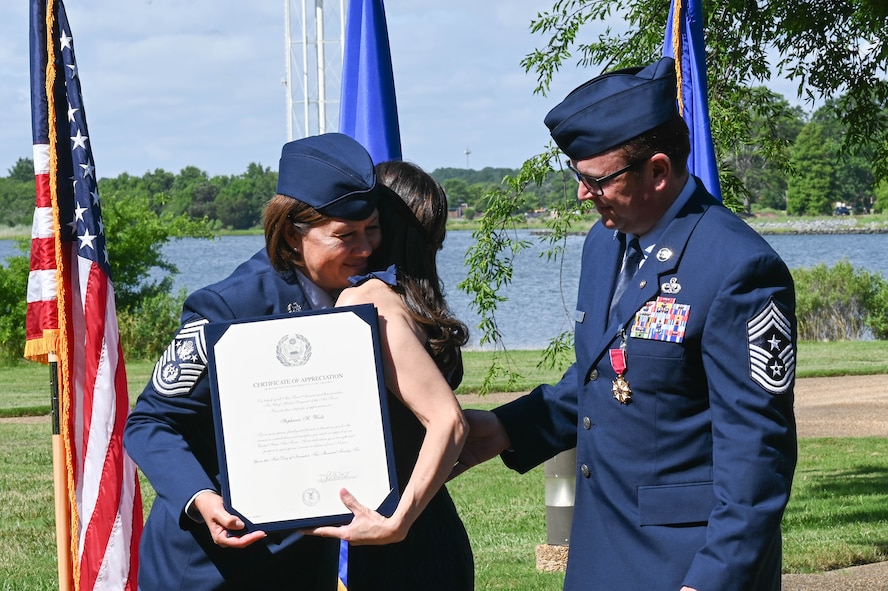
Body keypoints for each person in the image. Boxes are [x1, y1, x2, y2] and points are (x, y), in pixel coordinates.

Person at [454, 57, 798, 591]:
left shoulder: (738, 268)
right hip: (599, 555)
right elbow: (604, 382)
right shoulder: (604, 243)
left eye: (596, 180)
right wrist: (501, 430)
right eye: (578, 176)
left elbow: (758, 456)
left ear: (658, 171)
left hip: (686, 566)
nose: (582, 194)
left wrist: (711, 580)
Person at [123, 133, 384, 590]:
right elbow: (150, 422)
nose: (366, 249)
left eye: (373, 230)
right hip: (210, 567)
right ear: (291, 233)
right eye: (345, 236)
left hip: (305, 564)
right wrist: (201, 497)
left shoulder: (364, 296)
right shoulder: (226, 309)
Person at [304, 161, 474, 590]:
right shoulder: (410, 299)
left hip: (402, 543)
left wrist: (397, 522)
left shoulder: (369, 302)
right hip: (433, 530)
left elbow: (448, 421)